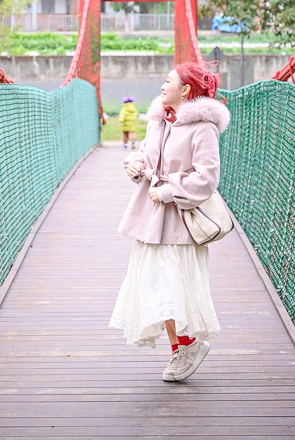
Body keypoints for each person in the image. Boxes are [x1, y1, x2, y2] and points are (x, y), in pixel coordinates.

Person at [109, 62, 230, 382]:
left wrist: (167, 191)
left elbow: (207, 179)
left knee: (173, 286)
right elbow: (147, 156)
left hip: (180, 220)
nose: (163, 86)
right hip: (152, 219)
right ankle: (183, 347)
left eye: (168, 81)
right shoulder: (159, 121)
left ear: (186, 90)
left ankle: (186, 347)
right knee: (155, 285)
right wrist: (134, 164)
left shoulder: (202, 127)